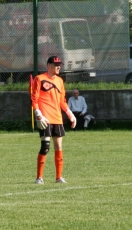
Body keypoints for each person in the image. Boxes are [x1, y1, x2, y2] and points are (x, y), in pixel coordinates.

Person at [31, 56, 76, 184]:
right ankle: (39, 177)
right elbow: (34, 98)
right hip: (45, 118)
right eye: (56, 64)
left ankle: (58, 177)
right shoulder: (39, 78)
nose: (58, 67)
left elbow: (62, 100)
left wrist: (70, 113)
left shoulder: (60, 81)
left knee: (59, 147)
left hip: (57, 118)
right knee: (45, 147)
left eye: (59, 65)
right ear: (49, 66)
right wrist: (38, 114)